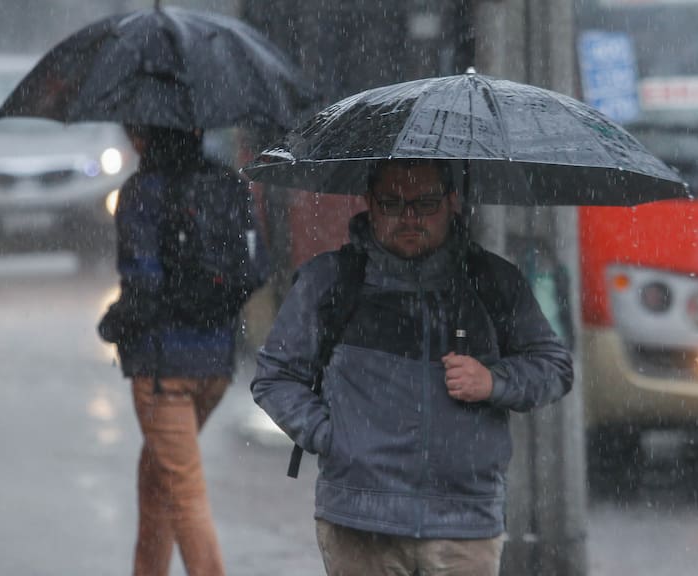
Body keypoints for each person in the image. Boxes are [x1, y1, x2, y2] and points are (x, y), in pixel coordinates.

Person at [251, 158, 574, 575]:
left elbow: (554, 367)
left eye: (424, 203)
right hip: (359, 521)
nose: (408, 217)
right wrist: (333, 436)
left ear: (452, 201)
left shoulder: (493, 282)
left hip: (466, 524)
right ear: (368, 202)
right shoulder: (331, 281)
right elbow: (275, 377)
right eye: (391, 203)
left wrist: (494, 381)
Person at [98, 125, 267, 576]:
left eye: (131, 126)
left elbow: (143, 285)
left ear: (144, 133)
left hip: (162, 371)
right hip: (214, 368)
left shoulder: (143, 191)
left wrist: (113, 323)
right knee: (158, 481)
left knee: (185, 495)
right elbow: (257, 269)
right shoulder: (231, 184)